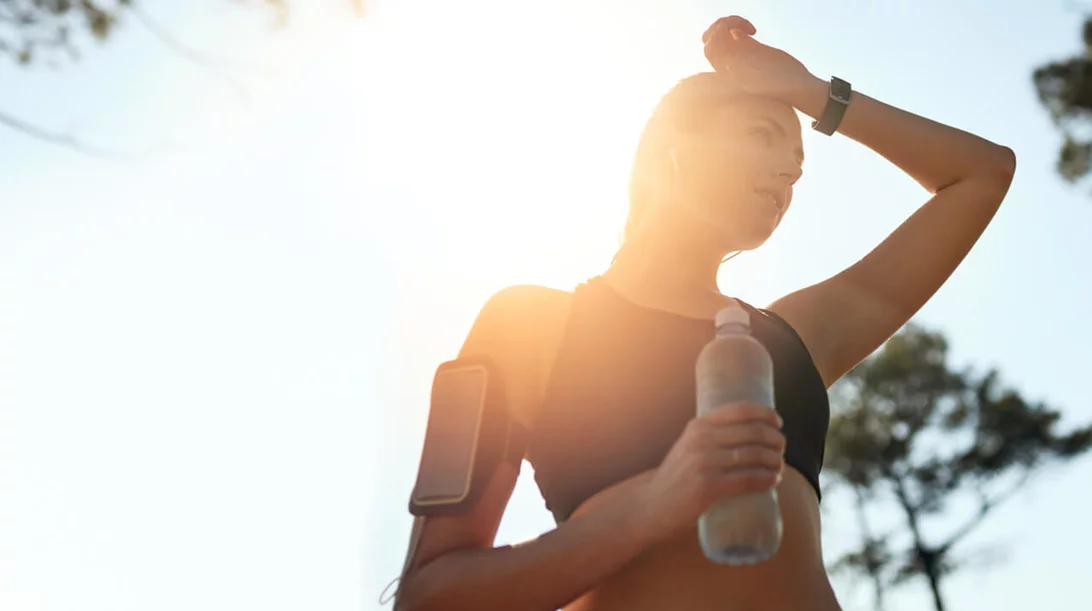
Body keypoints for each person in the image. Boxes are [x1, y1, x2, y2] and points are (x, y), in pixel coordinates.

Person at [392, 15, 1015, 611]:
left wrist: (807, 91)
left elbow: (982, 174)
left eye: (799, 164)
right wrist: (650, 505)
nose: (790, 169)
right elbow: (429, 596)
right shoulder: (527, 324)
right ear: (674, 150)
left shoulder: (794, 340)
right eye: (761, 135)